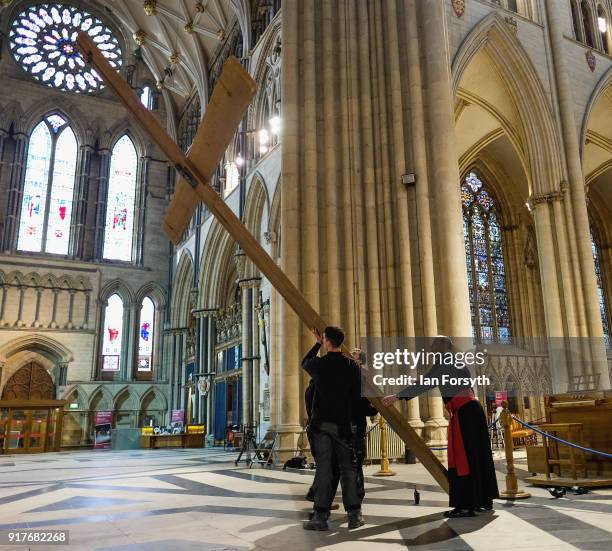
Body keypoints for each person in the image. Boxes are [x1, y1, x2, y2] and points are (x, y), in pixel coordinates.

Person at [382, 336, 499, 518]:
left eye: (434, 348)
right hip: (474, 410)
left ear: (441, 349)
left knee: (462, 460)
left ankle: (465, 506)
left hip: (464, 413)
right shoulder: (457, 362)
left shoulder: (443, 364)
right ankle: (484, 500)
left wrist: (397, 397)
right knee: (477, 456)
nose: (432, 351)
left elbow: (424, 383)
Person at [302, 326, 364, 531]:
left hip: (321, 425)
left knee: (324, 470)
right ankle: (354, 516)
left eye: (324, 340)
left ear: (327, 342)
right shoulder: (351, 366)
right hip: (343, 426)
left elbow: (304, 362)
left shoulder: (319, 364)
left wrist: (316, 344)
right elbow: (356, 398)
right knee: (348, 469)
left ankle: (320, 517)